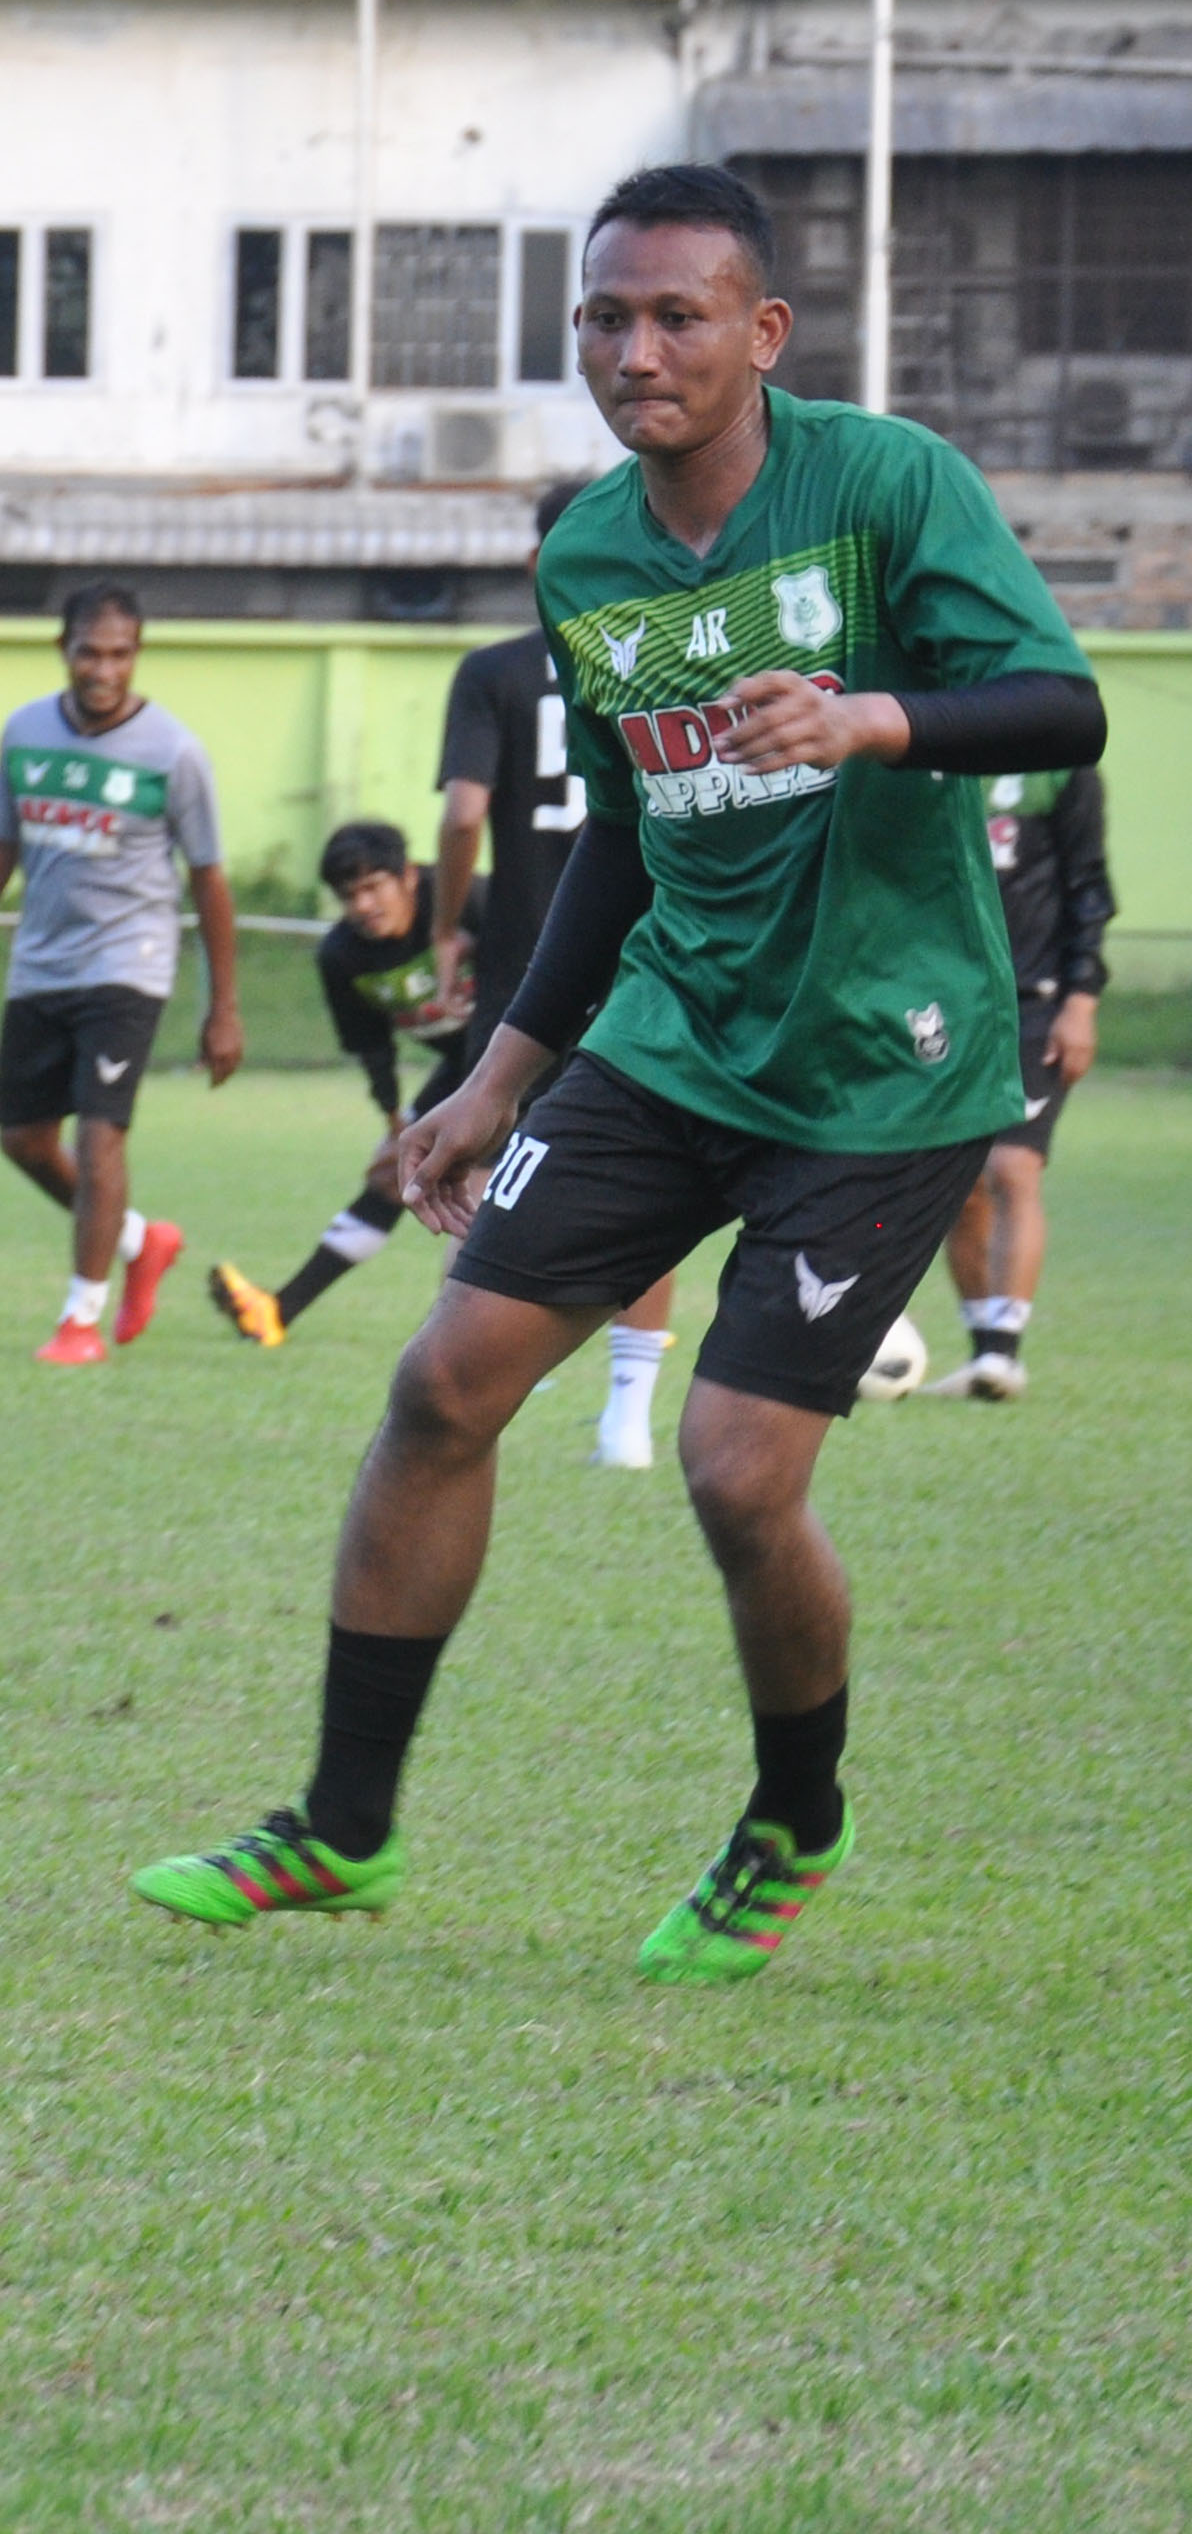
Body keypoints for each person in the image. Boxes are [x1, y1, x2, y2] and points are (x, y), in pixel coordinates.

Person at [129, 164, 1103, 1983]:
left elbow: (1060, 703)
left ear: (759, 331)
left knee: (735, 1473)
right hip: (665, 1035)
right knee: (441, 1383)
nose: (633, 348)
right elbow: (626, 839)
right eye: (602, 315)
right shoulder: (584, 552)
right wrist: (495, 1074)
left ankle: (789, 1819)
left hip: (880, 1062)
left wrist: (871, 714)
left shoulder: (881, 485)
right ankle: (341, 1826)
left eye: (673, 314)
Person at [329, 503, 685, 1465]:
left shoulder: (493, 671)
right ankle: (628, 1414)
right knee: (651, 1182)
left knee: (480, 1171)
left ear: (540, 557)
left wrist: (446, 925)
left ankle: (476, 1386)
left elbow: (461, 813)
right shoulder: (676, 646)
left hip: (535, 962)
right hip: (654, 961)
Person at [0, 584, 244, 1364]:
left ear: (137, 655)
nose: (105, 669)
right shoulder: (25, 732)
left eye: (120, 654)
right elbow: (0, 841)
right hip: (41, 965)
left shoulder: (174, 751)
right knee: (24, 1140)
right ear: (62, 650)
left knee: (102, 1136)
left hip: (127, 964)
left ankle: (80, 1320)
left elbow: (209, 881)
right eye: (90, 652)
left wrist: (222, 1008)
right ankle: (141, 1240)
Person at [206, 823, 472, 1340]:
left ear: (409, 878)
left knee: (487, 1193)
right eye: (350, 896)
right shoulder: (343, 956)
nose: (364, 905)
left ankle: (475, 1342)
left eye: (375, 887)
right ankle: (277, 1312)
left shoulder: (465, 901)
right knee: (395, 1177)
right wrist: (396, 1121)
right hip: (467, 1068)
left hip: (542, 1058)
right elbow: (373, 1047)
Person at [941, 764, 1109, 1400]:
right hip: (945, 1001)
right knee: (957, 1185)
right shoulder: (926, 752)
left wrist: (1081, 1001)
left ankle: (1004, 1352)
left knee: (1011, 1168)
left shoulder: (1061, 768)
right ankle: (985, 1349)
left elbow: (1090, 885)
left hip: (1035, 1001)